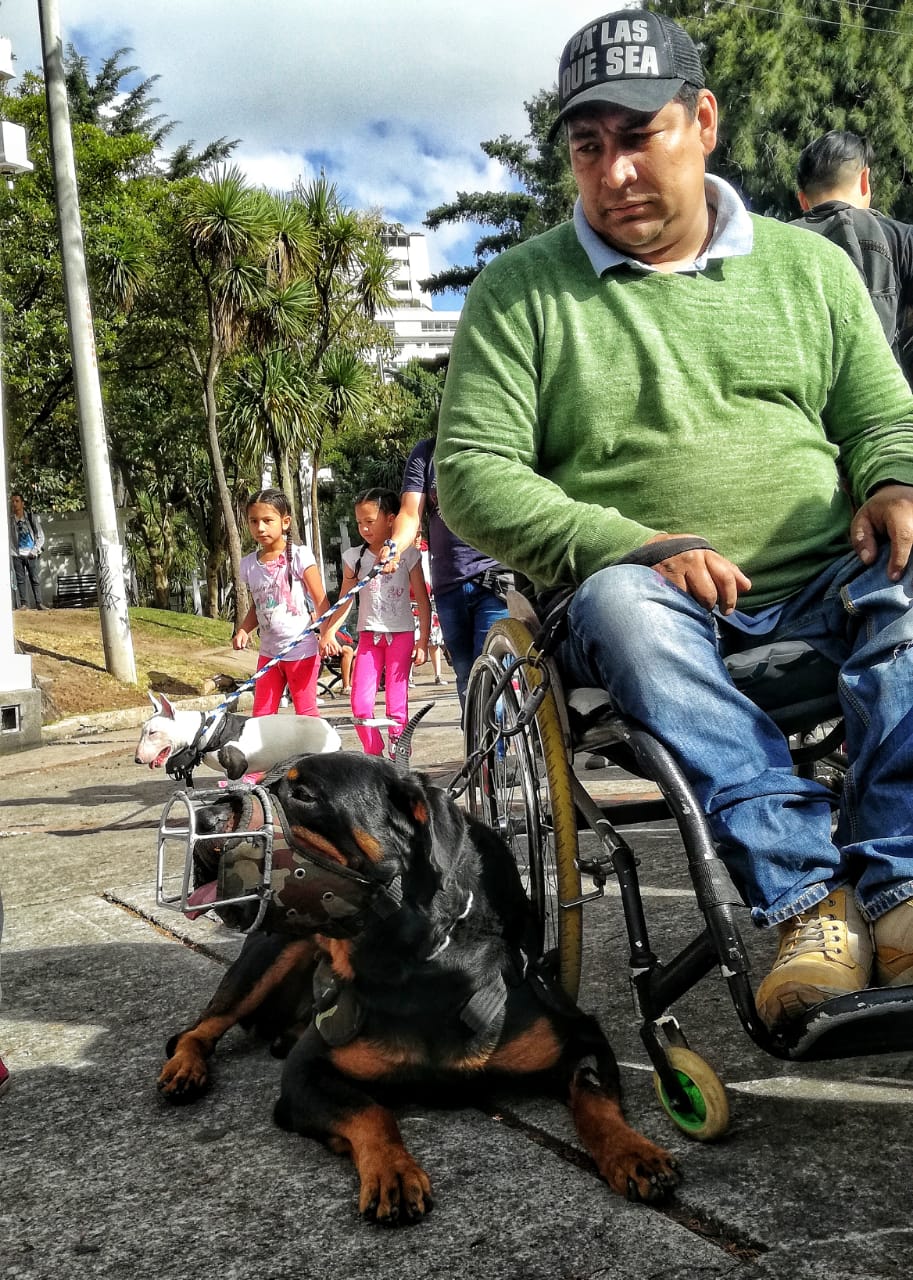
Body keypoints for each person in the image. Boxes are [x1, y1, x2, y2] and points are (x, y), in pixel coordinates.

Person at [435, 8, 913, 1030]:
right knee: (625, 600)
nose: (612, 172)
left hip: (829, 576)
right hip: (644, 604)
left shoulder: (809, 269)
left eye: (637, 136)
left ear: (701, 121)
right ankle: (805, 903)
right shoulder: (520, 294)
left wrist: (890, 482)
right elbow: (472, 475)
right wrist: (635, 543)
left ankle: (898, 883)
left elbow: (880, 414)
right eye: (587, 148)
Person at [384, 435, 510, 707]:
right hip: (449, 584)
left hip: (495, 579)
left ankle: (498, 749)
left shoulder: (498, 438)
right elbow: (410, 513)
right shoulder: (426, 452)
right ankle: (477, 747)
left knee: (492, 673)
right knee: (466, 676)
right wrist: (394, 546)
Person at [792, 130, 913, 379]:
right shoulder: (902, 238)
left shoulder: (778, 240)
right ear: (864, 180)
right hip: (883, 403)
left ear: (802, 200)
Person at [321, 488, 430, 758]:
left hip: (401, 636)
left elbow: (424, 601)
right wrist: (329, 632)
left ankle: (398, 753)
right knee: (359, 705)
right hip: (369, 638)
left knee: (397, 705)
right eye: (360, 522)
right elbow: (345, 600)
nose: (364, 528)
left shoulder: (408, 556)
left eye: (370, 521)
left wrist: (423, 641)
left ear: (391, 519)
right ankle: (374, 751)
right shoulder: (354, 558)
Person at [232, 488, 332, 717]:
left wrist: (327, 635)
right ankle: (267, 754)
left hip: (301, 651)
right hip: (268, 653)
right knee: (262, 716)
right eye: (254, 521)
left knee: (306, 714)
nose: (260, 528)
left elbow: (320, 601)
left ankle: (317, 753)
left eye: (268, 520)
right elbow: (259, 606)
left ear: (285, 522)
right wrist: (244, 630)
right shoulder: (248, 565)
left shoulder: (299, 556)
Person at [9, 492, 45, 610]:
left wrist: (34, 551)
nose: (14, 504)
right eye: (13, 501)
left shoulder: (30, 517)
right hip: (16, 553)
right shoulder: (9, 520)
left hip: (31, 553)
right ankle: (24, 604)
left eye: (17, 501)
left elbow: (40, 536)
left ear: (22, 503)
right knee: (20, 580)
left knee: (34, 579)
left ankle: (39, 603)